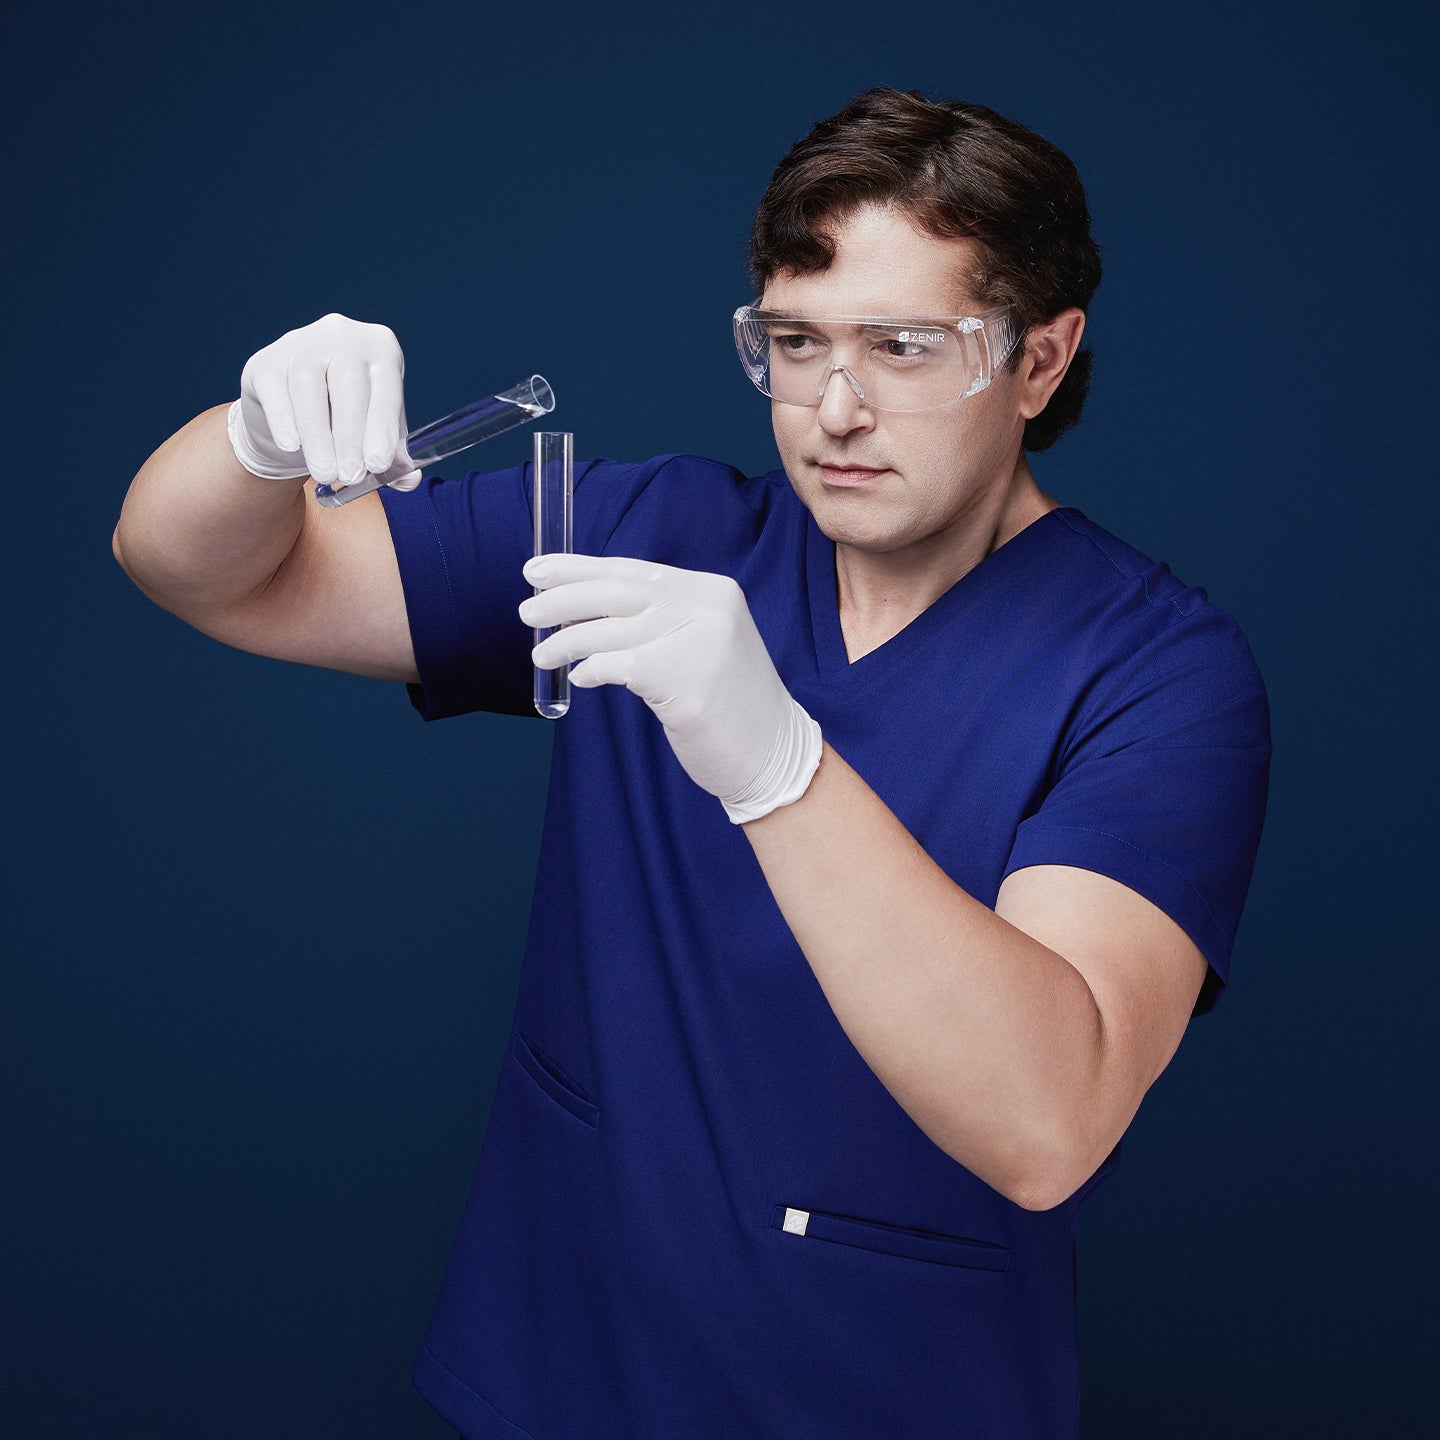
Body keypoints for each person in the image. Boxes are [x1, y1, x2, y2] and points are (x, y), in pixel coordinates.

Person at [114, 88, 1269, 1440]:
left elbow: (1045, 1120)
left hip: (891, 1395)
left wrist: (780, 764)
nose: (834, 410)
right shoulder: (646, 535)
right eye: (793, 343)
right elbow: (198, 569)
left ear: (1037, 360)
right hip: (563, 1369)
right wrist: (253, 442)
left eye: (902, 347)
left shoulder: (1157, 675)